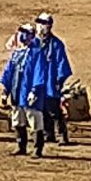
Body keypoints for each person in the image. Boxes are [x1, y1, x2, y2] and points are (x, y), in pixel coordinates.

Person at [1, 24, 58, 157]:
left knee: (34, 120)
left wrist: (35, 90)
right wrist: (5, 91)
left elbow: (40, 73)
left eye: (25, 33)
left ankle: (38, 148)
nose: (22, 35)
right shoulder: (17, 53)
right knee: (17, 119)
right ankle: (21, 146)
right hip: (16, 92)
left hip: (30, 93)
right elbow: (8, 72)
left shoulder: (37, 53)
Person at [34, 12, 74, 144]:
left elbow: (63, 65)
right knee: (41, 110)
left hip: (51, 84)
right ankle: (48, 134)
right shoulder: (33, 44)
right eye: (40, 23)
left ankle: (62, 135)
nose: (42, 27)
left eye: (45, 24)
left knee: (54, 111)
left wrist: (59, 81)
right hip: (37, 84)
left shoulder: (56, 45)